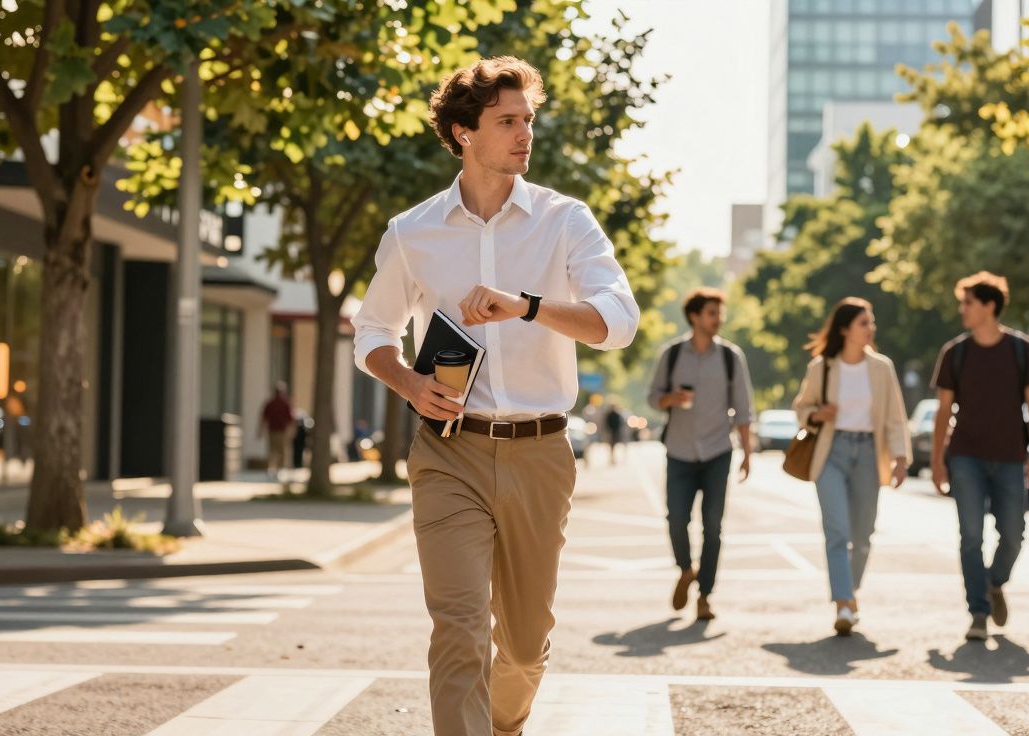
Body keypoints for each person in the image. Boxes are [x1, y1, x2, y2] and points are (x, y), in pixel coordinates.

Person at [351, 56, 638, 736]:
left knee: (523, 644)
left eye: (527, 120)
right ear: (461, 134)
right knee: (458, 627)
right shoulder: (412, 232)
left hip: (540, 453)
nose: (523, 135)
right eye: (506, 121)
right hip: (450, 454)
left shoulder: (564, 222)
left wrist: (527, 306)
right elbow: (372, 330)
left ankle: (504, 724)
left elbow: (617, 322)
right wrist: (411, 383)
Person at [930, 272, 1029, 642]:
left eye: (968, 303)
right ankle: (978, 612)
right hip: (965, 457)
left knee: (1013, 534)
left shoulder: (1020, 348)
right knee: (970, 536)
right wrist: (936, 460)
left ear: (989, 305)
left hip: (1011, 456)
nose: (962, 309)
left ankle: (995, 583)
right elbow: (943, 411)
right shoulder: (955, 352)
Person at [791, 297, 911, 636]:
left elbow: (894, 417)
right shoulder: (823, 367)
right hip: (832, 451)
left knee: (863, 535)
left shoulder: (882, 367)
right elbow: (802, 407)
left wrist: (901, 458)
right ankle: (843, 602)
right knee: (837, 531)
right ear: (845, 329)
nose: (871, 328)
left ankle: (850, 591)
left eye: (871, 322)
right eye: (864, 322)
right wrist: (817, 414)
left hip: (870, 453)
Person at [648, 287, 755, 622]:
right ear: (695, 316)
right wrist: (671, 399)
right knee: (676, 519)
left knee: (713, 525)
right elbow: (653, 398)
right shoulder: (672, 354)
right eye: (712, 312)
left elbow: (744, 408)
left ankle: (706, 595)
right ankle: (685, 570)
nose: (718, 319)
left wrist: (747, 453)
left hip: (717, 452)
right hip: (679, 451)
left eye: (719, 313)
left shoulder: (730, 356)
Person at [259, 382, 295, 479]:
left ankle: (276, 470)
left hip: (277, 431)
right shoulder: (279, 403)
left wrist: (260, 431)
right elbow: (264, 418)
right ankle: (275, 470)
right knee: (278, 451)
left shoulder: (280, 403)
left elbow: (291, 419)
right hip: (276, 431)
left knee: (275, 451)